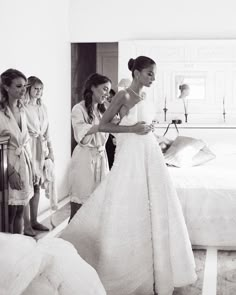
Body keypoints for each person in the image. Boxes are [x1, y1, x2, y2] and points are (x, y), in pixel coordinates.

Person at [61, 56, 197, 295]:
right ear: (136, 73)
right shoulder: (122, 96)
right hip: (131, 155)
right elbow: (103, 125)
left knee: (156, 202)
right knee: (127, 201)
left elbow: (139, 122)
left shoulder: (144, 97)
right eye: (149, 74)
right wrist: (132, 129)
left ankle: (159, 267)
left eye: (154, 74)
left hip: (149, 153)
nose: (153, 78)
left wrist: (147, 128)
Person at [68, 73, 111, 221]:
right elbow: (83, 137)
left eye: (108, 90)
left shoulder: (103, 110)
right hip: (84, 159)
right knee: (79, 205)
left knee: (98, 204)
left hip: (101, 158)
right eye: (104, 89)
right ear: (93, 87)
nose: (107, 94)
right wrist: (104, 125)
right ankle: (69, 240)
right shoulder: (78, 109)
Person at [0, 69, 34, 234]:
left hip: (23, 162)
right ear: (6, 87)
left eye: (25, 86)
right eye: (18, 86)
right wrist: (10, 171)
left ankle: (20, 249)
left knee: (21, 208)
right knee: (8, 212)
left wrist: (31, 166)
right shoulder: (0, 113)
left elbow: (26, 141)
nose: (23, 90)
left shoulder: (23, 110)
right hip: (6, 164)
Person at [23, 76, 54, 236]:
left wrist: (50, 152)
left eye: (41, 89)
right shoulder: (23, 106)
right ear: (28, 88)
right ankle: (26, 225)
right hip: (29, 147)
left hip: (41, 149)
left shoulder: (43, 107)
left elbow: (47, 131)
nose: (39, 92)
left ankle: (34, 220)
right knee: (27, 186)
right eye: (36, 88)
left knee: (36, 186)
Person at [105, 89, 117, 169]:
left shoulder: (116, 107)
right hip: (108, 134)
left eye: (111, 97)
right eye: (107, 98)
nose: (109, 99)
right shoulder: (104, 107)